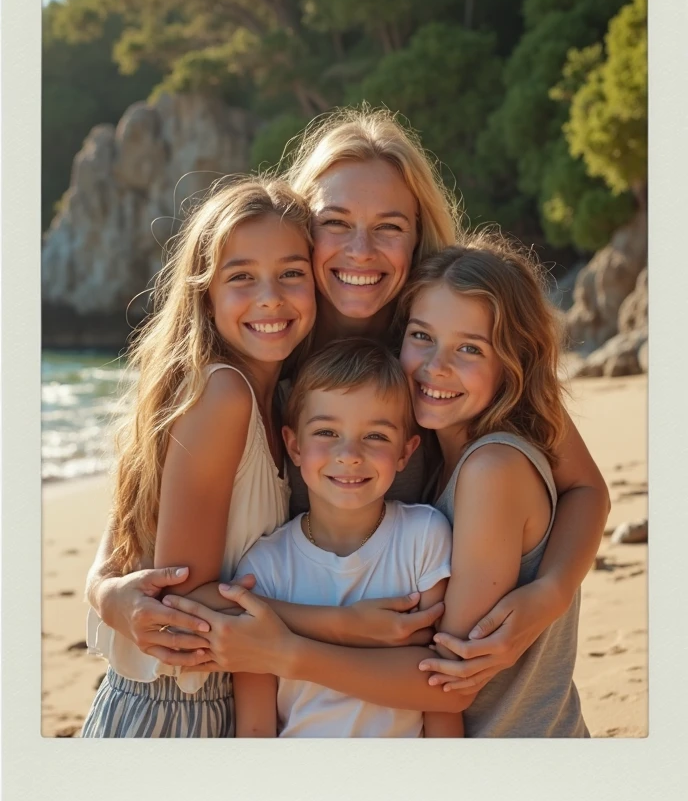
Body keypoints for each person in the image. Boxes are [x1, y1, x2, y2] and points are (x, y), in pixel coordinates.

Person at [86, 107, 610, 708]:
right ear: (302, 231)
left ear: (419, 237)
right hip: (287, 700)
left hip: (407, 698)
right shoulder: (270, 349)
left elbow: (586, 487)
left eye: (389, 227)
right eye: (336, 222)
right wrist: (103, 587)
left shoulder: (441, 346)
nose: (361, 250)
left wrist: (552, 590)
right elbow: (147, 492)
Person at [82, 177, 318, 736]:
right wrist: (352, 625)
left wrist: (101, 586)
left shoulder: (275, 399)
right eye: (241, 277)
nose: (270, 296)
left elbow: (121, 546)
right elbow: (183, 597)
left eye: (292, 273)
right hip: (179, 703)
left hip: (226, 690)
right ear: (205, 294)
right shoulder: (222, 394)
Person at [400, 236, 588, 736]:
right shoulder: (447, 458)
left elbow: (449, 675)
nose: (435, 366)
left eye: (468, 348)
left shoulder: (491, 470)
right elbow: (588, 490)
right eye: (421, 335)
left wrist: (284, 650)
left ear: (511, 363)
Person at [233, 339, 459, 738]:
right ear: (293, 445)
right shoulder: (264, 568)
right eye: (327, 431)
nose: (350, 454)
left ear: (406, 452)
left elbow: (441, 697)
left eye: (375, 436)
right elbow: (255, 729)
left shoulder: (424, 538)